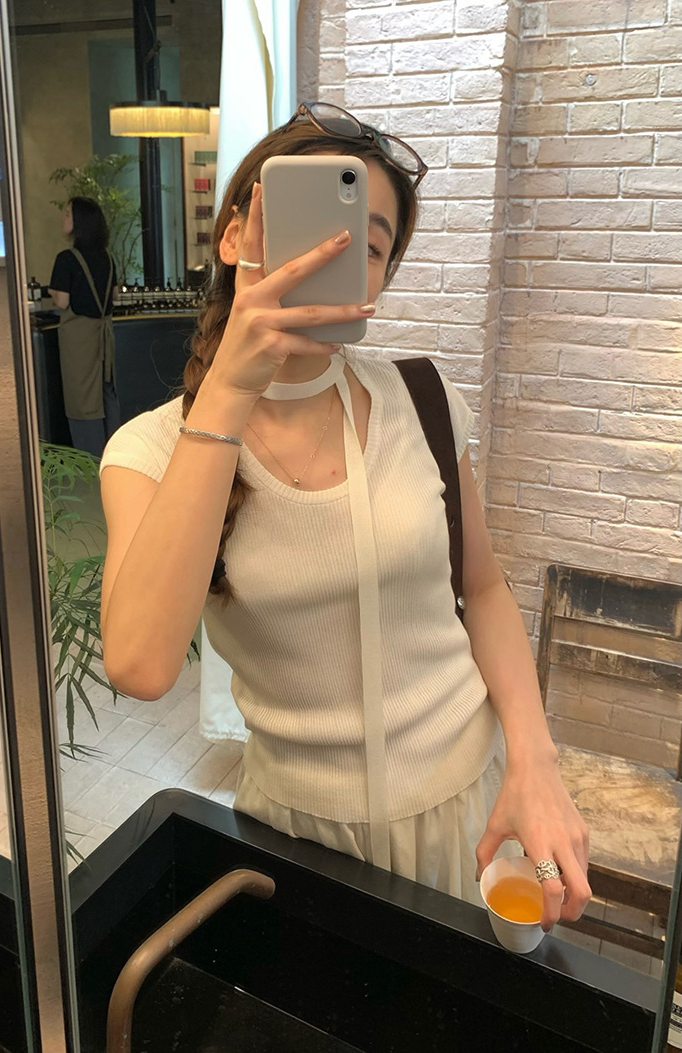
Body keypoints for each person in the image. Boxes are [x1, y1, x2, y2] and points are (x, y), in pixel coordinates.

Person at [98, 102, 591, 930]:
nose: (331, 255)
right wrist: (230, 389)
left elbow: (483, 589)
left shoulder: (425, 401)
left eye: (367, 247)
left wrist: (536, 762)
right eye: (308, 227)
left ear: (380, 282)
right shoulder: (149, 451)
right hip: (296, 841)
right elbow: (141, 665)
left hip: (468, 812)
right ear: (234, 236)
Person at [48, 196, 121, 458]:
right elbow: (114, 296)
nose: (64, 218)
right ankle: (115, 455)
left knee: (81, 398)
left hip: (79, 340)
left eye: (68, 213)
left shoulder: (67, 259)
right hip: (104, 337)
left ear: (79, 222)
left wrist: (52, 292)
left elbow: (62, 301)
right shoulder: (107, 258)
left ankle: (90, 462)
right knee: (105, 392)